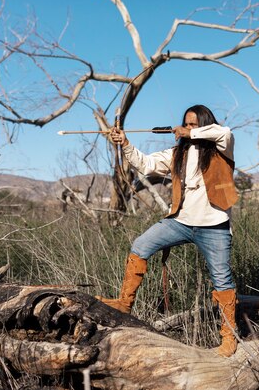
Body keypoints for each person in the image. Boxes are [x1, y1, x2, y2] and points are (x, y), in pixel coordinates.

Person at [98, 104, 239, 357]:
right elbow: (147, 163)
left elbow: (223, 132)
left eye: (194, 124)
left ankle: (229, 335)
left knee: (222, 279)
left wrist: (190, 133)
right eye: (186, 124)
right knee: (140, 245)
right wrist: (126, 144)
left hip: (214, 224)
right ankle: (123, 304)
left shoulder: (221, 146)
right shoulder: (178, 153)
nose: (188, 128)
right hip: (181, 221)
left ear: (204, 124)